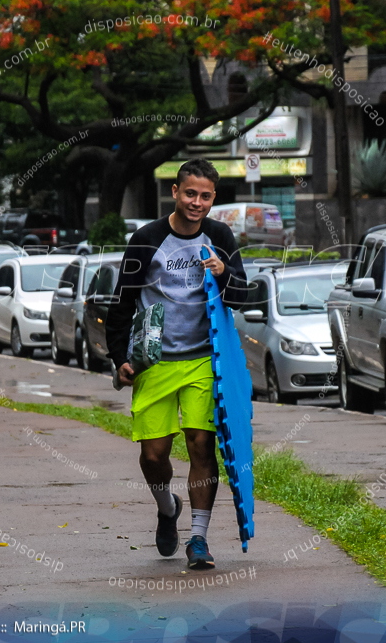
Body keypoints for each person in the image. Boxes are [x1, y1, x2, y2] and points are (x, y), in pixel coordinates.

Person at [105, 158, 247, 570]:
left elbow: (242, 294)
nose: (196, 202)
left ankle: (199, 539)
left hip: (205, 360)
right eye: (190, 193)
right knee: (153, 456)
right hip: (155, 363)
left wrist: (223, 274)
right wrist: (119, 359)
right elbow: (122, 302)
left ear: (213, 198)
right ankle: (168, 508)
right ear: (175, 192)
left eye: (205, 196)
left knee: (202, 444)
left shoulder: (220, 236)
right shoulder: (146, 239)